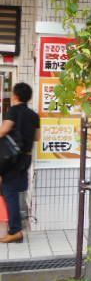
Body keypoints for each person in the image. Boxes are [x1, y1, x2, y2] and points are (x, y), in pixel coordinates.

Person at [0, 83, 40, 244]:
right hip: (25, 158)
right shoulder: (34, 115)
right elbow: (37, 137)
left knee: (10, 193)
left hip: (11, 159)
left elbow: (4, 130)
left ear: (15, 96)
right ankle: (13, 227)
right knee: (13, 192)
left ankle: (15, 231)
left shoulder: (13, 111)